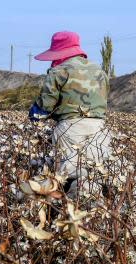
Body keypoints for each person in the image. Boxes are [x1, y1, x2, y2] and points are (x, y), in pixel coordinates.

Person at [29, 31, 111, 200]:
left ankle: (69, 215)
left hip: (70, 129)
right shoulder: (100, 71)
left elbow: (44, 107)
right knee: (93, 172)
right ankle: (97, 217)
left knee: (70, 174)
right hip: (100, 128)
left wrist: (34, 114)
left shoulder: (59, 72)